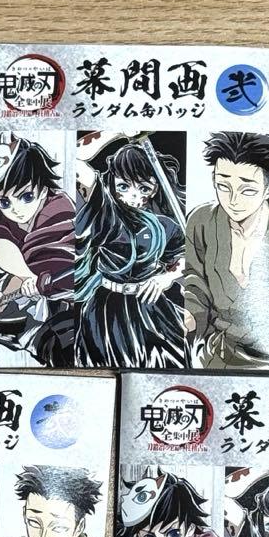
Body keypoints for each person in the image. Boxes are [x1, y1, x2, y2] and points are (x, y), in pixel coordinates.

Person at [184, 131, 269, 369]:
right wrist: (190, 315)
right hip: (217, 354)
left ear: (268, 189)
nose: (233, 200)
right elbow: (194, 283)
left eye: (247, 190)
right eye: (223, 186)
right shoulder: (201, 221)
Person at [75, 138, 187, 368]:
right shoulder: (106, 213)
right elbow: (76, 158)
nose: (133, 196)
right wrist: (118, 132)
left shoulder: (165, 226)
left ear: (155, 188)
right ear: (112, 182)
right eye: (124, 186)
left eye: (143, 188)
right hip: (106, 307)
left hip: (150, 303)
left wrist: (165, 278)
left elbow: (185, 258)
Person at [0, 136, 76, 366]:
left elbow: (49, 264)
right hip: (29, 294)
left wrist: (24, 283)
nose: (16, 209)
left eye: (26, 197)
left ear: (43, 189)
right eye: (5, 203)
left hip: (65, 304)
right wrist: (3, 296)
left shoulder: (59, 210)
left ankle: (35, 339)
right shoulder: (1, 218)